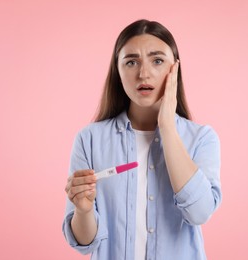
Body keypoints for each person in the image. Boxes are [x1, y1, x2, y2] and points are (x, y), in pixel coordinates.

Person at [63, 19, 222, 259]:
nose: (143, 73)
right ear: (117, 70)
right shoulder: (90, 139)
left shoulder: (201, 138)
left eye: (157, 60)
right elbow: (85, 242)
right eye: (131, 62)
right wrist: (83, 210)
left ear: (174, 69)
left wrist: (167, 126)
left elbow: (199, 213)